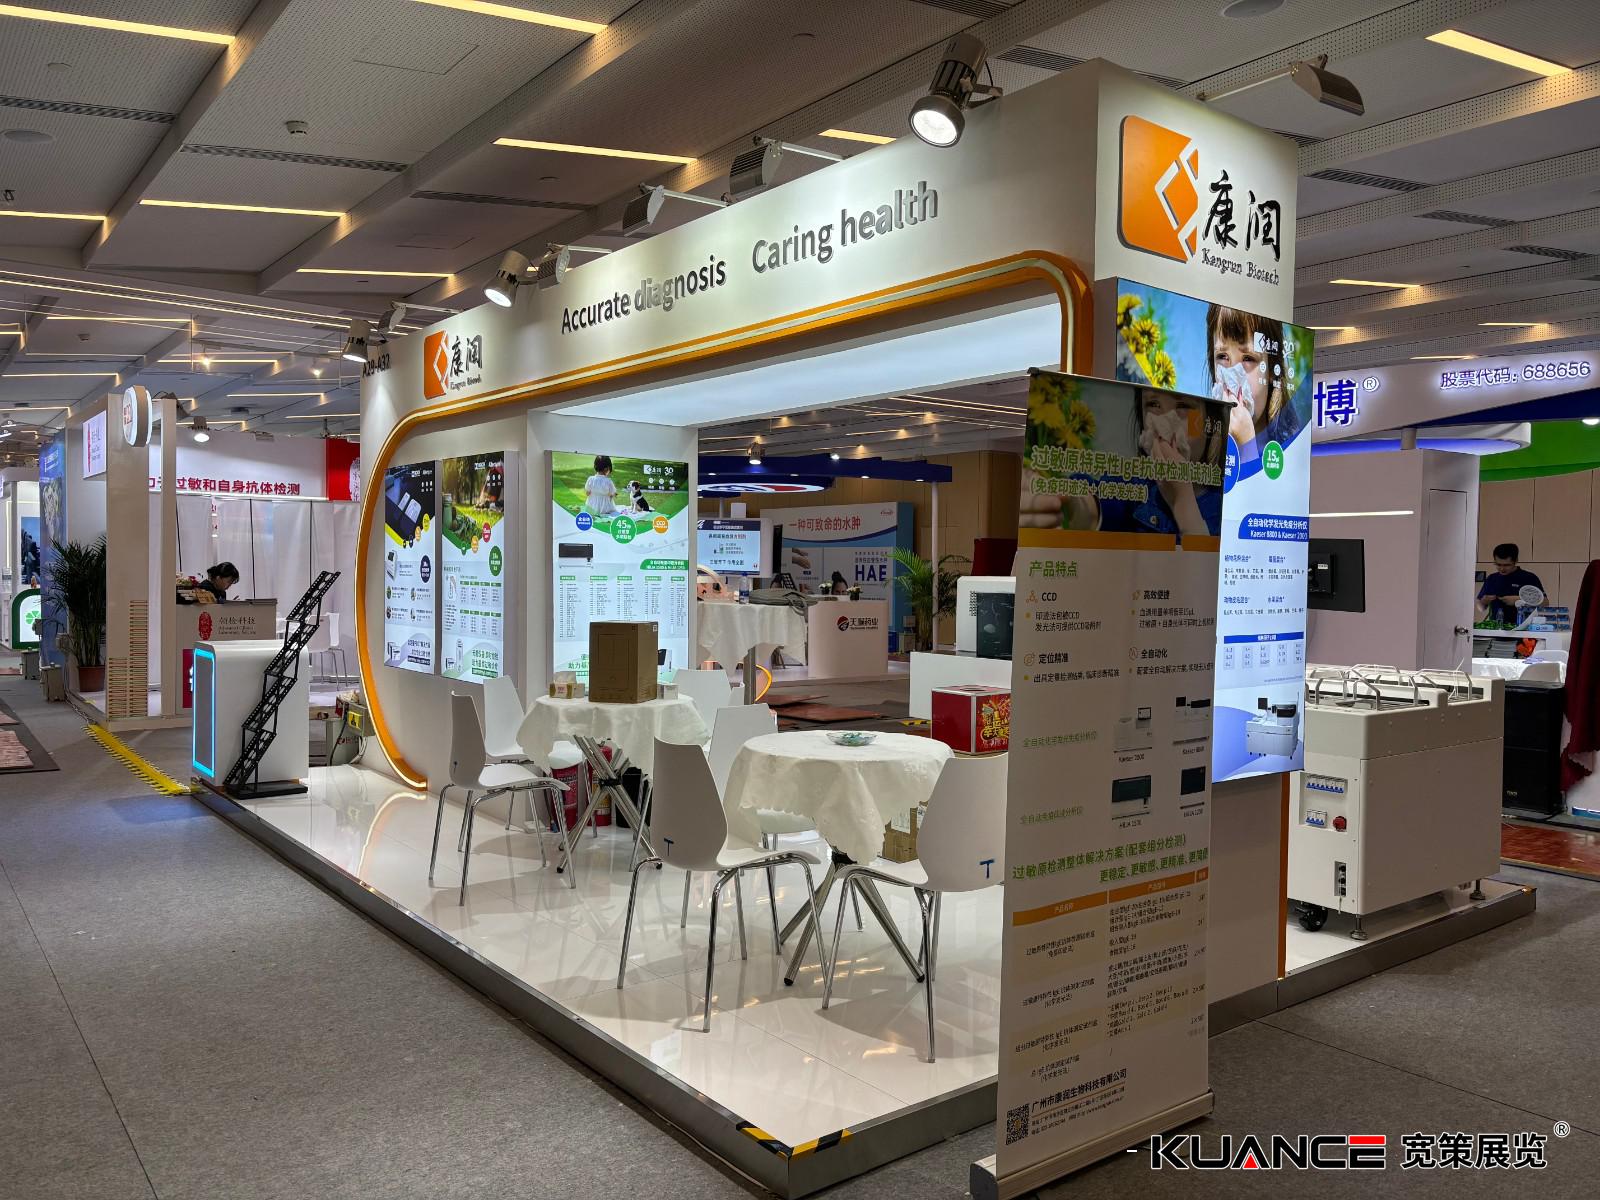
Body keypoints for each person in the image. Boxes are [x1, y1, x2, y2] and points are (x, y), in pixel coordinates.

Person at [1207, 304, 1292, 455]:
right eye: (1222, 356)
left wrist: (1245, 446)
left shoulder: (1291, 447)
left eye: (1248, 358)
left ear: (1272, 368)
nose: (1232, 379)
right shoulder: (1201, 446)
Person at [1478, 543, 1544, 625]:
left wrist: (1520, 600)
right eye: (1498, 564)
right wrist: (1484, 601)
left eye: (1507, 565)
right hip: (1496, 627)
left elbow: (1544, 603)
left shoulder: (1529, 578)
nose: (1502, 569)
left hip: (1523, 627)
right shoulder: (1492, 578)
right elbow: (1480, 608)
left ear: (1516, 561)